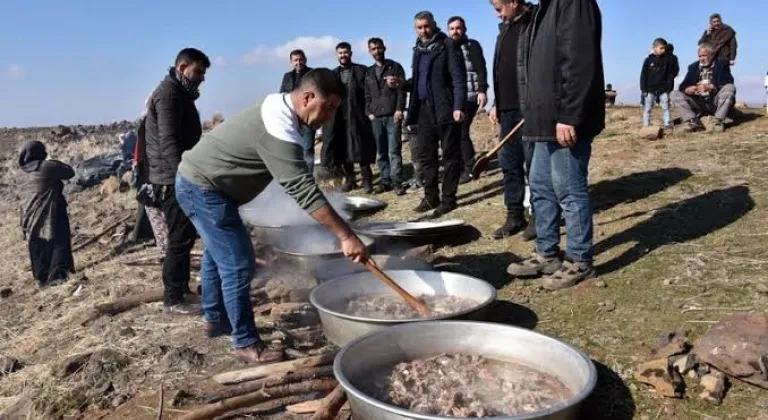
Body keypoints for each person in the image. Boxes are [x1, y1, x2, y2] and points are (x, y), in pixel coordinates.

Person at [175, 68, 369, 364]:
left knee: (219, 254)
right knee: (239, 264)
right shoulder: (279, 126)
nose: (329, 116)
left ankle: (215, 320)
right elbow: (302, 189)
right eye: (328, 107)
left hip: (207, 185)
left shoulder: (280, 108)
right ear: (307, 98)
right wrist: (346, 235)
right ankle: (245, 343)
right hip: (203, 188)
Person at [506, 0, 605, 291]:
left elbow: (579, 60)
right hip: (541, 120)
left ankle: (579, 260)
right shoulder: (543, 10)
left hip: (564, 120)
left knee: (569, 190)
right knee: (540, 188)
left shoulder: (573, 3)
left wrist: (570, 115)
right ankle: (547, 253)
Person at [145, 47, 210, 315]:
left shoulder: (178, 93)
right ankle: (173, 298)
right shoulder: (169, 94)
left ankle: (181, 290)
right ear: (182, 68)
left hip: (174, 175)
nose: (202, 78)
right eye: (198, 72)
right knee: (179, 240)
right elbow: (169, 141)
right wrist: (183, 177)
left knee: (183, 238)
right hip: (171, 180)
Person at [404, 11, 467, 218]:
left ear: (434, 25)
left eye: (427, 26)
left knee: (450, 155)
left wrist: (459, 106)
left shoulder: (447, 45)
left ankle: (449, 199)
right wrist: (401, 85)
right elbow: (419, 80)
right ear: (415, 29)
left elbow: (459, 78)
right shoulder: (418, 50)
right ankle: (431, 197)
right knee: (426, 156)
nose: (424, 30)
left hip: (446, 108)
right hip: (423, 110)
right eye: (420, 27)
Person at [487, 0, 538, 241]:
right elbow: (501, 70)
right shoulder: (504, 30)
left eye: (499, 9)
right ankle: (514, 214)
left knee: (534, 166)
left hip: (528, 109)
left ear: (514, 2)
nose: (498, 15)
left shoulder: (534, 22)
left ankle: (539, 216)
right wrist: (496, 103)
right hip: (506, 109)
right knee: (509, 165)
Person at [18, 141, 75, 286]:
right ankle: (56, 277)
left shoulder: (20, 173)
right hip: (50, 212)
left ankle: (41, 277)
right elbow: (69, 172)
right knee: (59, 242)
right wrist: (50, 159)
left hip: (28, 215)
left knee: (38, 245)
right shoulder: (47, 166)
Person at [321, 42, 376, 193]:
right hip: (339, 118)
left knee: (361, 149)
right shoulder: (333, 74)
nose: (343, 55)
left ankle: (367, 181)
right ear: (337, 55)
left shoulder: (361, 70)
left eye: (346, 52)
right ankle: (351, 180)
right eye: (340, 53)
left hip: (358, 116)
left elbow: (368, 93)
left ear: (350, 53)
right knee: (344, 150)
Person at [447, 16, 489, 184]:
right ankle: (470, 163)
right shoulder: (447, 48)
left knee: (462, 132)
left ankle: (470, 168)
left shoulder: (472, 45)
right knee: (457, 133)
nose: (455, 31)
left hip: (470, 96)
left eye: (458, 28)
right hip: (454, 98)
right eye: (451, 28)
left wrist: (482, 90)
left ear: (464, 29)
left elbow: (481, 68)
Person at [364, 37, 407, 196]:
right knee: (381, 152)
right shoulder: (368, 72)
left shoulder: (395, 67)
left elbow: (402, 91)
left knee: (394, 151)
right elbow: (367, 96)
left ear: (384, 48)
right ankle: (385, 181)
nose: (377, 51)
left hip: (392, 116)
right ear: (370, 52)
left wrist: (399, 109)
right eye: (373, 49)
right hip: (376, 117)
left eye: (379, 48)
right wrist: (369, 113)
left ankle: (397, 182)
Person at [670, 42, 736, 133]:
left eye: (704, 55)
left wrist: (711, 86)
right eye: (700, 56)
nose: (701, 58)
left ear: (712, 54)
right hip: (699, 102)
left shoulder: (721, 63)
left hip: (715, 101)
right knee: (674, 94)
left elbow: (728, 81)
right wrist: (688, 89)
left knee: (730, 88)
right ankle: (692, 121)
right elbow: (683, 86)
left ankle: (718, 121)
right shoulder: (693, 67)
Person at [279, 49, 316, 174]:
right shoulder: (287, 77)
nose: (298, 62)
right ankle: (297, 176)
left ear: (305, 60)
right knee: (293, 149)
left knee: (307, 149)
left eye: (300, 59)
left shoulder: (313, 74)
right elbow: (282, 95)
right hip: (292, 118)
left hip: (307, 118)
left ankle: (309, 177)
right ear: (291, 62)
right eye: (295, 60)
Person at [640, 38, 676, 130]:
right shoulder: (648, 60)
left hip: (663, 89)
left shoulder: (667, 60)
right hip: (649, 89)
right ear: (654, 48)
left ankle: (668, 124)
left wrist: (669, 89)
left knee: (665, 107)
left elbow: (670, 75)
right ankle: (646, 125)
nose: (663, 50)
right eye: (661, 48)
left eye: (664, 48)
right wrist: (643, 89)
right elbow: (643, 75)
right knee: (648, 108)